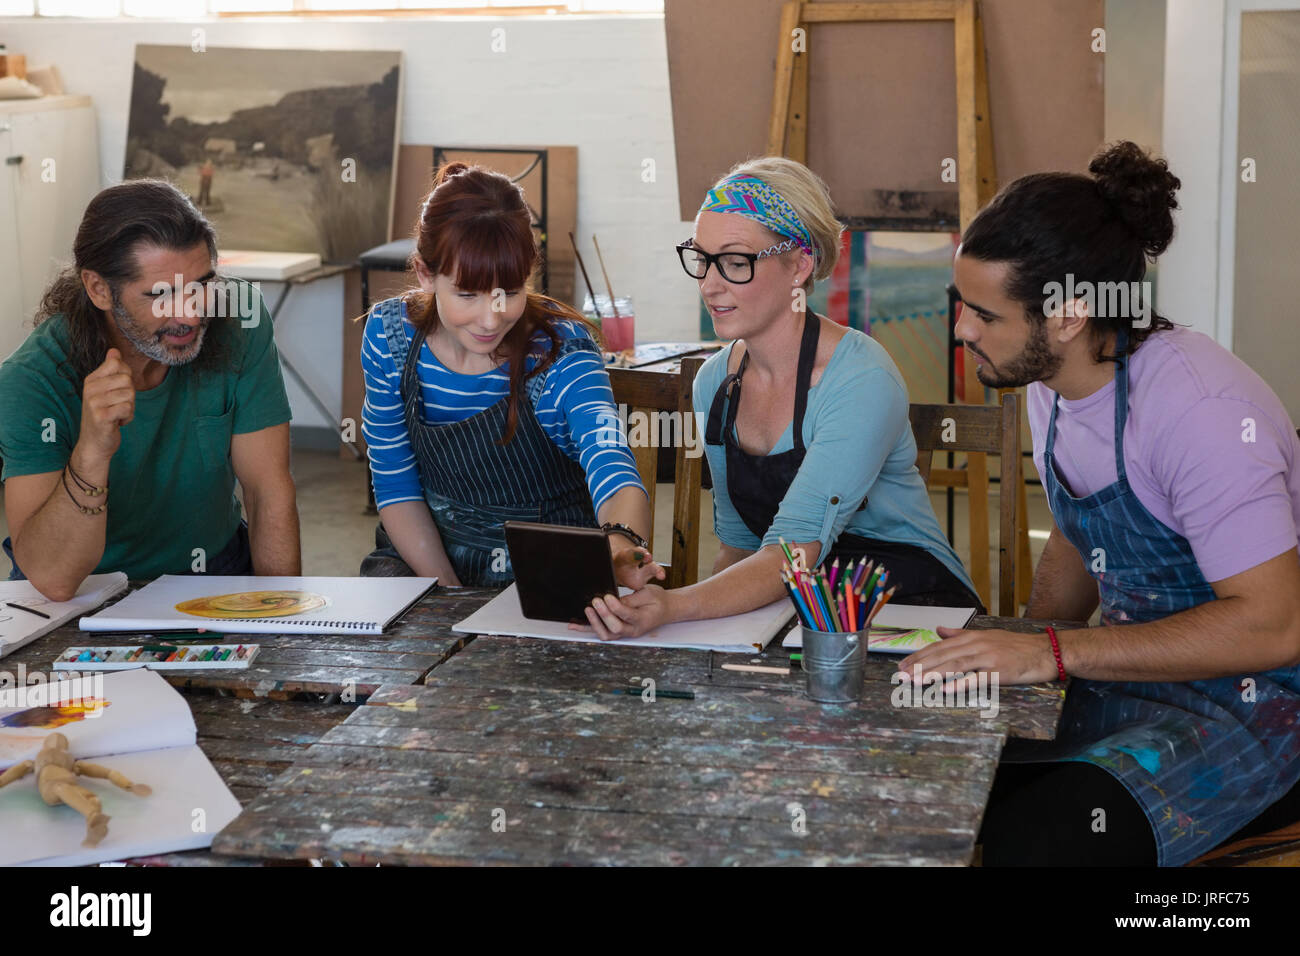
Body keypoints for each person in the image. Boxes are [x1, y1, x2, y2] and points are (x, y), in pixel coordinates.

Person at [898, 141, 1300, 866]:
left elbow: (1273, 628)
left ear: (1069, 315)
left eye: (985, 315)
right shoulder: (1052, 386)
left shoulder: (1200, 411)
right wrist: (1012, 652)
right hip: (1130, 678)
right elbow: (1084, 535)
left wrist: (1049, 652)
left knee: (1046, 838)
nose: (962, 330)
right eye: (963, 305)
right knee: (927, 769)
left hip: (1256, 706)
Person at [576, 157, 979, 641]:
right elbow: (743, 546)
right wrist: (683, 620)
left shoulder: (860, 378)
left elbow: (792, 550)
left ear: (800, 264)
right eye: (702, 258)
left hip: (915, 615)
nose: (709, 283)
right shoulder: (715, 384)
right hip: (800, 609)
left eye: (735, 261)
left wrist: (676, 606)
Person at [359, 163, 661, 589]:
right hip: (425, 552)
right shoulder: (390, 339)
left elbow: (613, 469)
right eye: (467, 294)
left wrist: (620, 545)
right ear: (427, 275)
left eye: (511, 292)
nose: (490, 318)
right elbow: (395, 485)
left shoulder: (560, 355)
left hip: (542, 560)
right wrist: (447, 595)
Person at [0, 180, 300, 600]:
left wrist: (283, 623)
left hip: (213, 572)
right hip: (80, 595)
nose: (190, 315)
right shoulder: (30, 380)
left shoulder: (240, 322)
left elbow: (267, 490)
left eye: (201, 285)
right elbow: (53, 579)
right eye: (162, 295)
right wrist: (92, 452)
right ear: (99, 289)